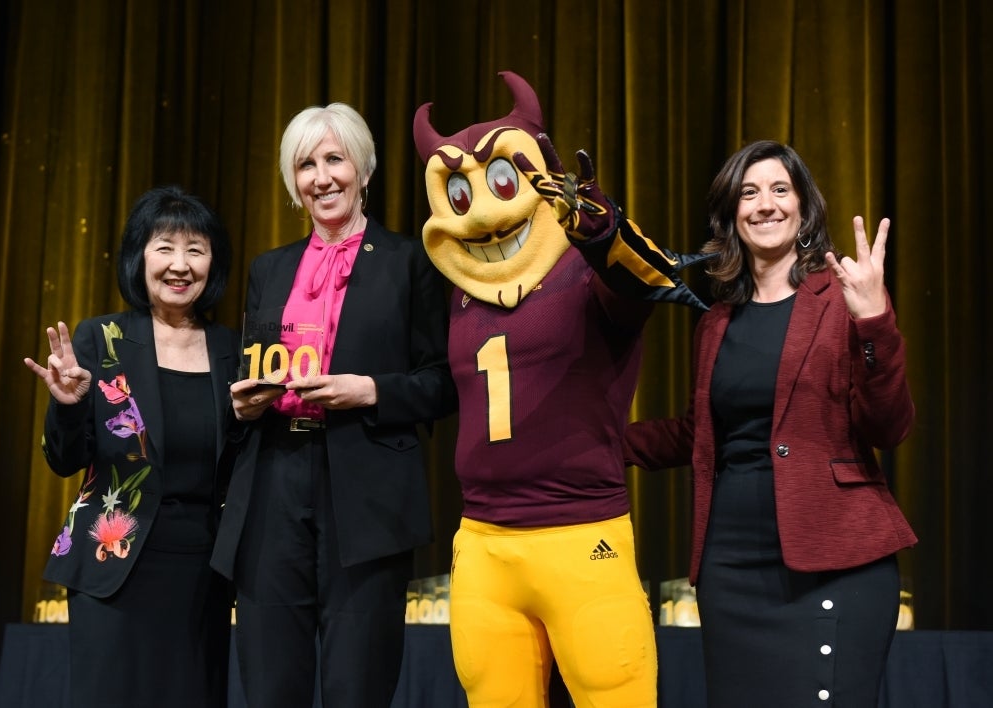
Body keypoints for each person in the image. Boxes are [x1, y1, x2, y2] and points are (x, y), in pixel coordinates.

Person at [412, 70, 707, 708]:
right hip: (485, 542)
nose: (487, 212)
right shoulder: (461, 293)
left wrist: (602, 231)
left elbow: (647, 279)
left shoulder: (584, 271)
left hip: (581, 534)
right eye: (462, 194)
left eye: (499, 182)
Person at [623, 139, 917, 708]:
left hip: (836, 559)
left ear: (804, 208)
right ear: (732, 212)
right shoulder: (716, 323)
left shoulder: (844, 300)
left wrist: (875, 321)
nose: (765, 204)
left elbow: (890, 426)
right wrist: (596, 445)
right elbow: (698, 432)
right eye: (749, 192)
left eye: (780, 190)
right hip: (731, 566)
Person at [209, 102, 456, 708]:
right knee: (271, 683)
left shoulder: (411, 260)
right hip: (272, 484)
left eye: (334, 159)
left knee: (357, 684)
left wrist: (368, 390)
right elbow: (254, 366)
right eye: (304, 165)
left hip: (365, 487)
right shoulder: (270, 268)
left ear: (363, 170)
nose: (320, 177)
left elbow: (446, 381)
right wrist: (243, 406)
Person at [23, 185, 237, 708]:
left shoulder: (235, 349)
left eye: (196, 249)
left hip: (203, 572)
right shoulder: (102, 339)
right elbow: (65, 459)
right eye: (164, 246)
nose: (179, 264)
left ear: (213, 263)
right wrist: (69, 405)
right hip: (113, 566)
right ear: (139, 256)